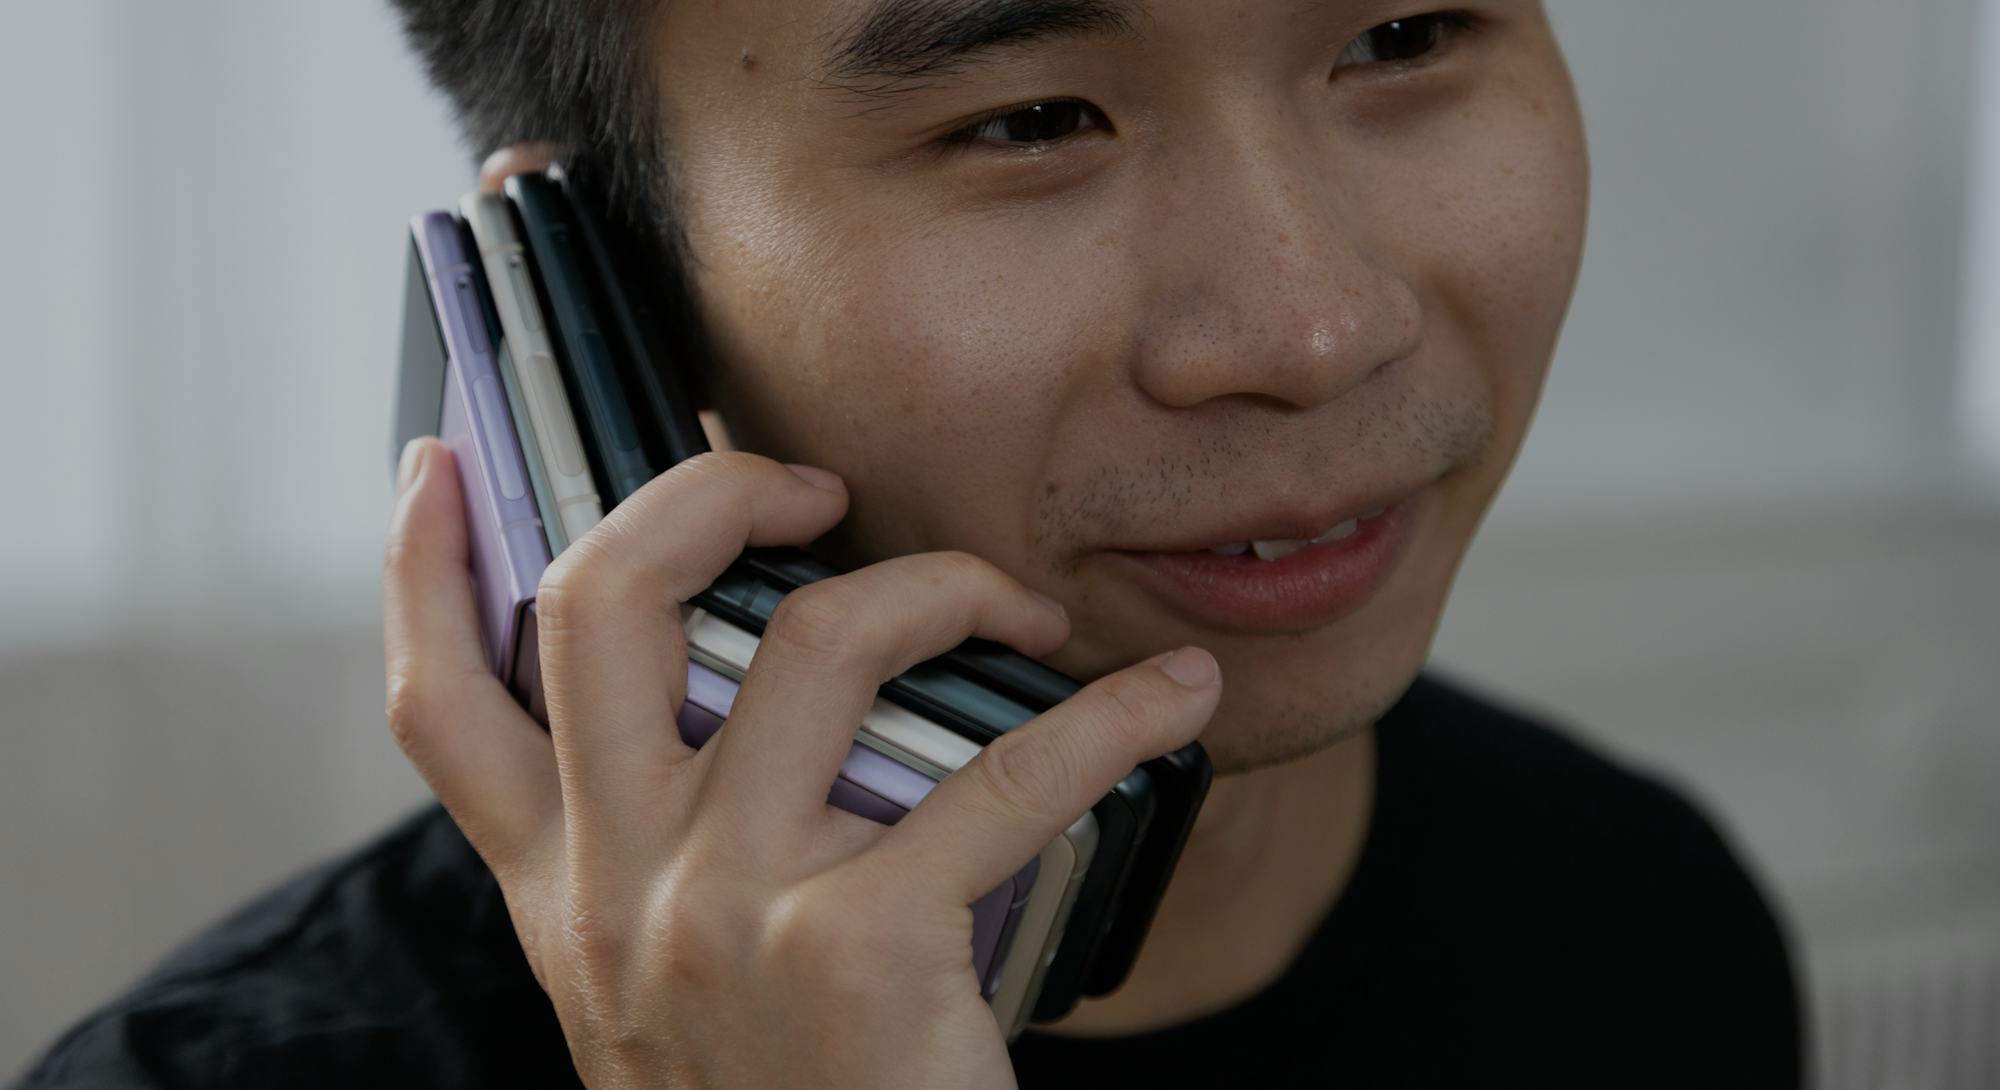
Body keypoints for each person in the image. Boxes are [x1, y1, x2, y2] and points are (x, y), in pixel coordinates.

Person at [12, 1, 1802, 1086]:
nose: (1313, 328)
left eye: (1404, 36)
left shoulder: (1640, 916)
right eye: (1029, 118)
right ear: (599, 285)